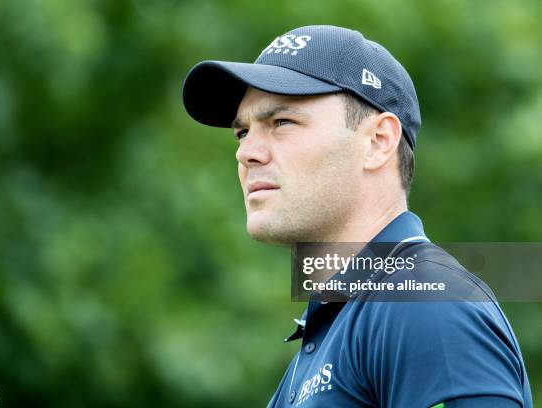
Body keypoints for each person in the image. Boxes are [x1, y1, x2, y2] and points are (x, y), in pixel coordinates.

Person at [182, 25, 533, 407]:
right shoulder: (340, 326)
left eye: (282, 122)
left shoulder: (425, 306)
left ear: (378, 142)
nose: (246, 152)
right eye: (242, 133)